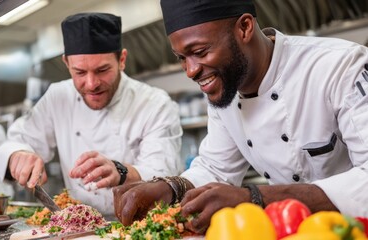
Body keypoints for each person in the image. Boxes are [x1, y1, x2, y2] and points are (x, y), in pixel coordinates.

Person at [113, 0, 368, 233]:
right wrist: (170, 187)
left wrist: (254, 199)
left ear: (244, 27)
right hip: (289, 230)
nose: (190, 71)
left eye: (200, 52)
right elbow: (216, 168)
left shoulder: (340, 67)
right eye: (182, 58)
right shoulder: (226, 86)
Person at [0, 13, 182, 219]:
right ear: (67, 63)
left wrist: (121, 171)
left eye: (102, 70)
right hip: (78, 225)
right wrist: (18, 155)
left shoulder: (154, 103)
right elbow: (17, 141)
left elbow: (165, 170)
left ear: (122, 60)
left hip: (140, 225)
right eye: (80, 72)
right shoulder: (58, 97)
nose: (91, 84)